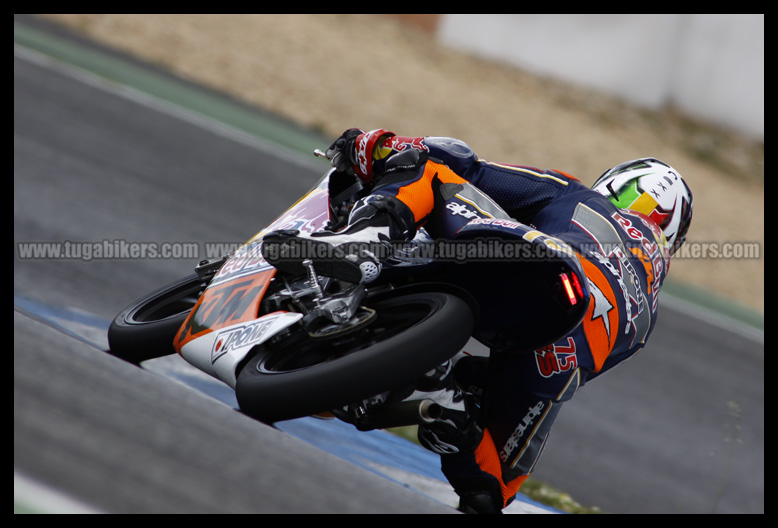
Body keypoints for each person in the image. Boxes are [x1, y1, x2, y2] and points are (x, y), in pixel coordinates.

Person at [262, 128, 694, 513]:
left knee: (427, 167)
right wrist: (478, 380)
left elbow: (468, 166)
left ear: (616, 184)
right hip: (554, 353)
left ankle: (365, 241)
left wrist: (373, 146)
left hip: (542, 262)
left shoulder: (580, 196)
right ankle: (454, 411)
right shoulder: (646, 318)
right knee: (492, 490)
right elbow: (586, 361)